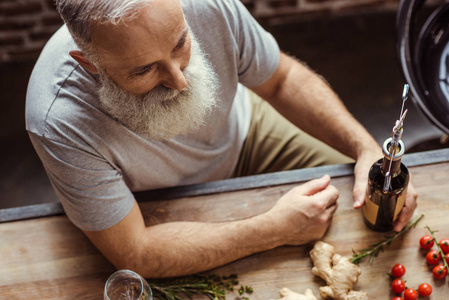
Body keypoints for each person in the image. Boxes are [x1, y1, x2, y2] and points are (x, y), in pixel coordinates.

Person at [26, 0, 418, 278]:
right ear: (90, 64)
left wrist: (366, 149)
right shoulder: (55, 118)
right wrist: (275, 229)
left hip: (249, 132)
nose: (179, 81)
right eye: (144, 70)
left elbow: (281, 81)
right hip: (152, 204)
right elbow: (137, 253)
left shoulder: (208, 5)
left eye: (180, 43)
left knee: (368, 198)